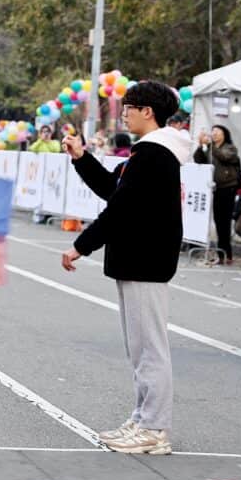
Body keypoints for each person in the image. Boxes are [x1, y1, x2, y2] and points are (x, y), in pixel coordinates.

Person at [61, 80, 188, 455]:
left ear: (148, 112)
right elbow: (113, 189)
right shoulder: (146, 153)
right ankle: (143, 417)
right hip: (137, 258)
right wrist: (81, 157)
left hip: (147, 258)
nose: (124, 113)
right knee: (140, 347)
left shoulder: (155, 154)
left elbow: (120, 209)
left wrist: (80, 246)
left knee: (150, 347)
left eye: (130, 107)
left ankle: (154, 428)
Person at [193, 125, 240, 264]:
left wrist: (210, 146)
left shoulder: (230, 148)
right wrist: (201, 146)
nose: (213, 134)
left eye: (217, 132)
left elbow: (225, 157)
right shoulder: (211, 149)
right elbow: (198, 159)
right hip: (214, 188)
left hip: (227, 188)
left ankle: (226, 254)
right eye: (212, 131)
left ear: (224, 134)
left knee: (224, 222)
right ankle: (221, 254)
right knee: (218, 221)